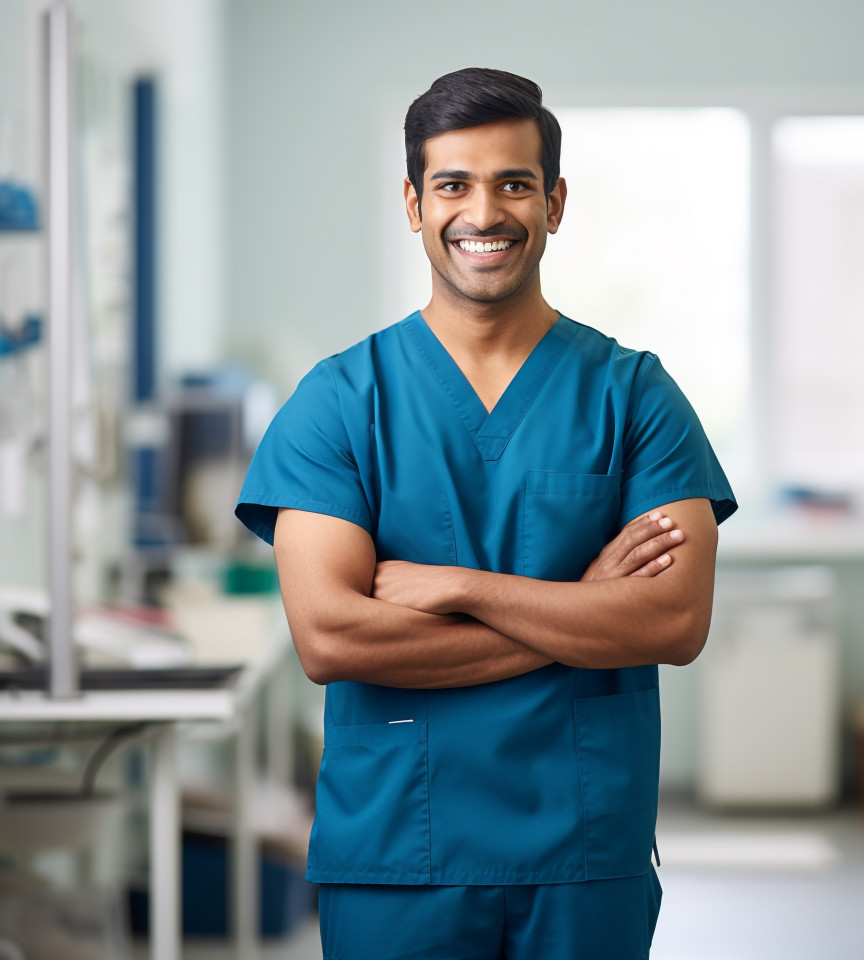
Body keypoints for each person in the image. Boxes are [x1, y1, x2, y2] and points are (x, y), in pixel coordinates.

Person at [235, 67, 737, 960]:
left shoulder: (635, 396)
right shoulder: (341, 402)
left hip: (584, 853)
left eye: (514, 182)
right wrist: (582, 609)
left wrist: (462, 586)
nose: (485, 211)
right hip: (397, 852)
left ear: (555, 202)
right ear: (413, 202)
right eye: (453, 184)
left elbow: (675, 618)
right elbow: (332, 640)